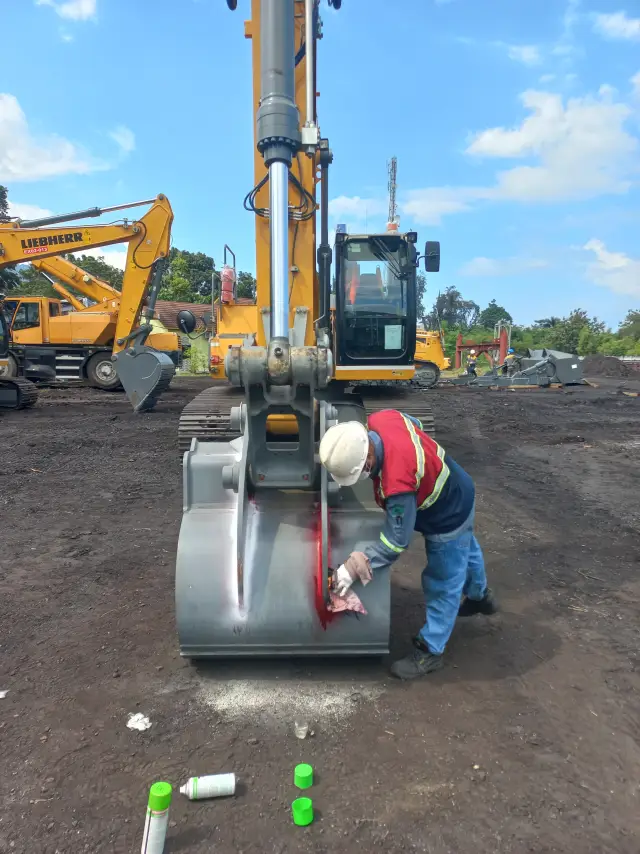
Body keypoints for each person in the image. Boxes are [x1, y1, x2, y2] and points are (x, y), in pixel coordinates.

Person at [319, 410, 497, 680]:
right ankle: (480, 596)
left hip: (446, 514)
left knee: (443, 580)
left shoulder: (398, 483)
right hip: (460, 485)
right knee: (466, 547)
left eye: (361, 471)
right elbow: (415, 424)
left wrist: (351, 569)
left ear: (367, 457)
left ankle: (431, 651)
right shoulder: (382, 419)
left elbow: (395, 543)